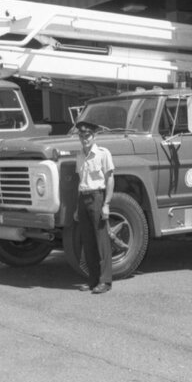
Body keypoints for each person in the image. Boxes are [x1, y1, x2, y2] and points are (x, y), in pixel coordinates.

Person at [73, 120, 115, 294]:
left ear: (94, 136)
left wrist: (106, 204)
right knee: (88, 242)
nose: (84, 139)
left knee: (101, 242)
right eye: (81, 136)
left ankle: (105, 281)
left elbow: (110, 178)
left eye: (87, 135)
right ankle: (93, 280)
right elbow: (80, 182)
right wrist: (77, 207)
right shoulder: (80, 155)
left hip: (97, 197)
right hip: (83, 198)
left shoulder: (103, 154)